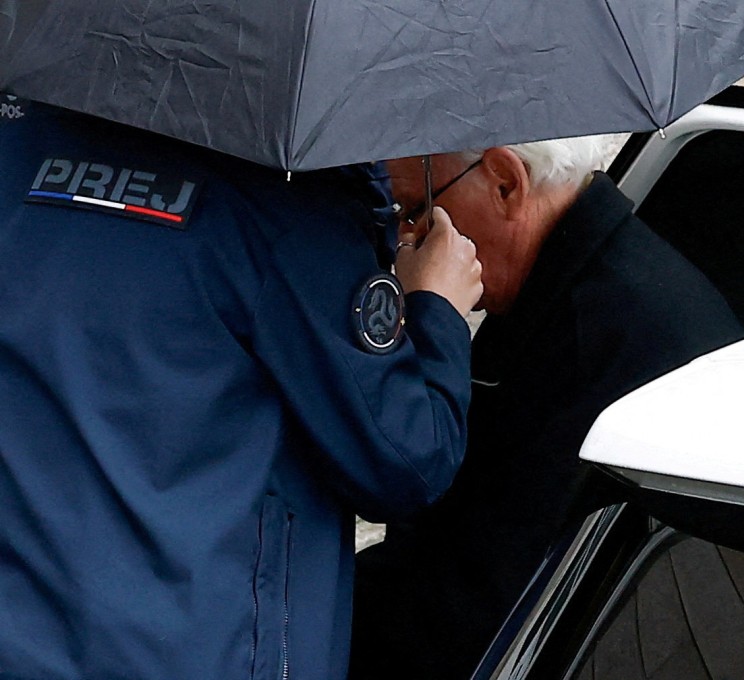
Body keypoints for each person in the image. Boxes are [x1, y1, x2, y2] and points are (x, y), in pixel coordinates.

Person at [0, 97, 481, 679]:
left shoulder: (19, 138)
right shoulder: (288, 201)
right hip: (194, 648)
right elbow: (407, 456)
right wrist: (437, 308)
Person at [352, 135, 744, 677]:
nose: (405, 239)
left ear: (506, 183)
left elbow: (480, 597)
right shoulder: (573, 283)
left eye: (416, 210)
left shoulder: (606, 330)